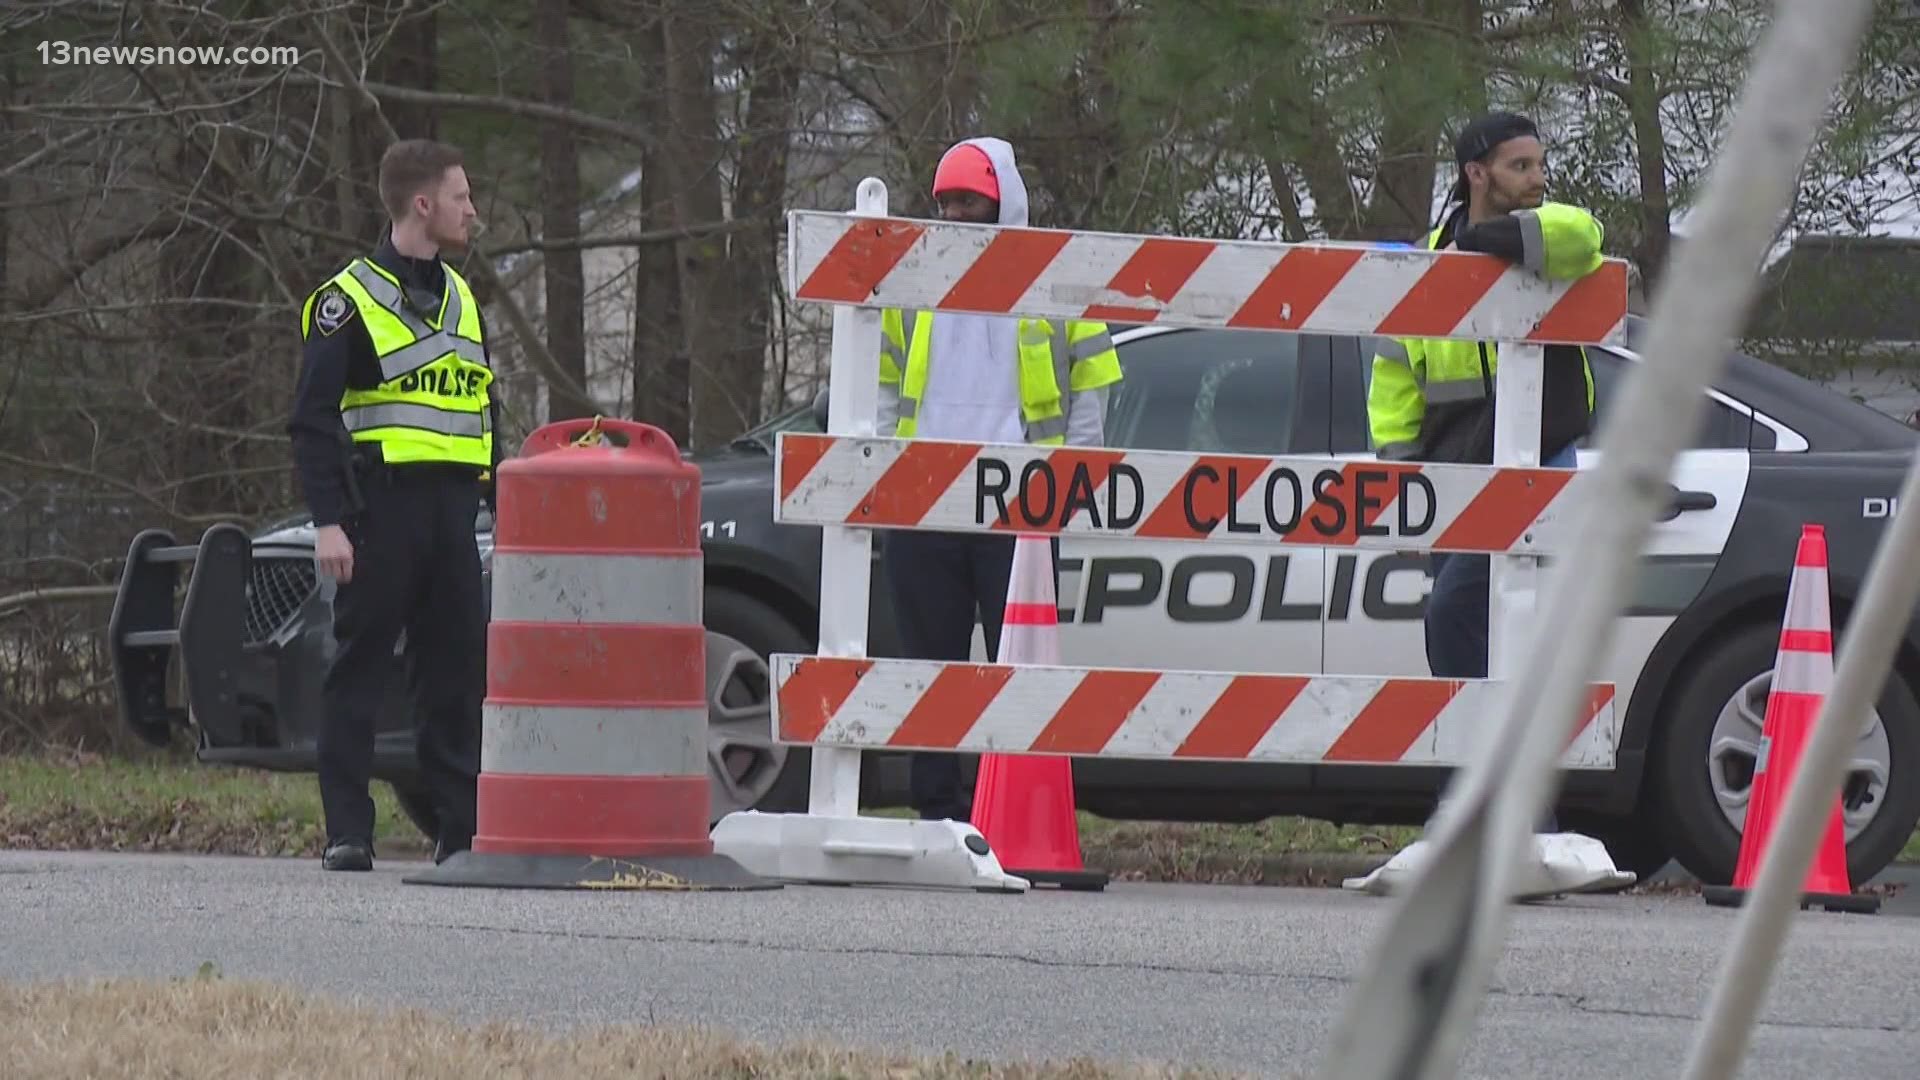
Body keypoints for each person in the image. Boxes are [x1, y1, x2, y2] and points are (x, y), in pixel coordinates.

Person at [875, 136, 1124, 822]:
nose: (956, 215)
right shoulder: (913, 284)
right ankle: (939, 817)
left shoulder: (1052, 279)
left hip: (1021, 504)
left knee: (1021, 672)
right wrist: (880, 482)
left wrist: (1069, 487)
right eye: (947, 202)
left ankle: (1012, 817)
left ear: (1002, 205)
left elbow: (1089, 393)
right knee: (933, 672)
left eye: (971, 203)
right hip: (926, 502)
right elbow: (885, 394)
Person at [287, 138, 497, 871]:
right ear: (422, 204)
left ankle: (460, 831)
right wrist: (327, 523)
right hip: (379, 510)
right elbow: (311, 418)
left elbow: (481, 411)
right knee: (361, 667)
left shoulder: (464, 296)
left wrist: (504, 503)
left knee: (455, 670)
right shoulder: (348, 301)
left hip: (454, 515)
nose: (473, 210)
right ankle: (348, 830)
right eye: (461, 196)